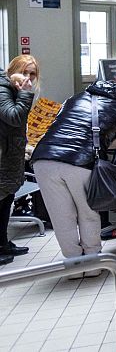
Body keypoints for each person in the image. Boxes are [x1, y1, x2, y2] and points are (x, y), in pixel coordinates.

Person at [31, 80, 116, 277]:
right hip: (79, 162)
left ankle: (73, 266)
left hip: (43, 160)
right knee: (88, 213)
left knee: (62, 217)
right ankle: (91, 264)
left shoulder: (74, 99)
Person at [0, 55, 38, 265]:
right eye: (24, 72)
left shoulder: (12, 90)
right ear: (13, 70)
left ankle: (3, 243)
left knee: (6, 200)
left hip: (10, 154)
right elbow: (13, 117)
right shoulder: (3, 89)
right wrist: (24, 93)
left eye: (32, 74)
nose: (28, 78)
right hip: (3, 155)